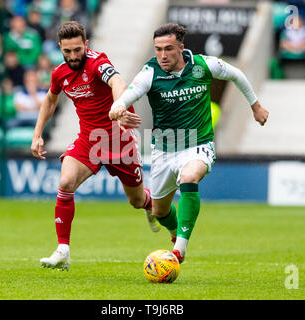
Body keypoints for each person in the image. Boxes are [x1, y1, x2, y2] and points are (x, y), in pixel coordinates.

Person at [109, 23, 269, 263]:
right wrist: (118, 111)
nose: (162, 55)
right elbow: (120, 102)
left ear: (181, 48)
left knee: (189, 177)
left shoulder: (203, 65)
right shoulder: (150, 73)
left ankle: (179, 250)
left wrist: (255, 105)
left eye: (168, 49)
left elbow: (235, 73)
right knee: (160, 211)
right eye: (158, 49)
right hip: (163, 149)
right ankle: (174, 232)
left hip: (198, 144)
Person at [32, 21, 159, 271]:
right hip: (88, 140)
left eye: (77, 50)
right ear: (60, 48)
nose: (73, 56)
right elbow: (50, 99)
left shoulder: (98, 62)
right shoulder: (60, 73)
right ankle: (63, 250)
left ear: (86, 45)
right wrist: (37, 134)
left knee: (135, 200)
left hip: (119, 138)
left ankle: (151, 205)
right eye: (67, 51)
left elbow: (118, 83)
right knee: (66, 182)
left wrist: (119, 108)